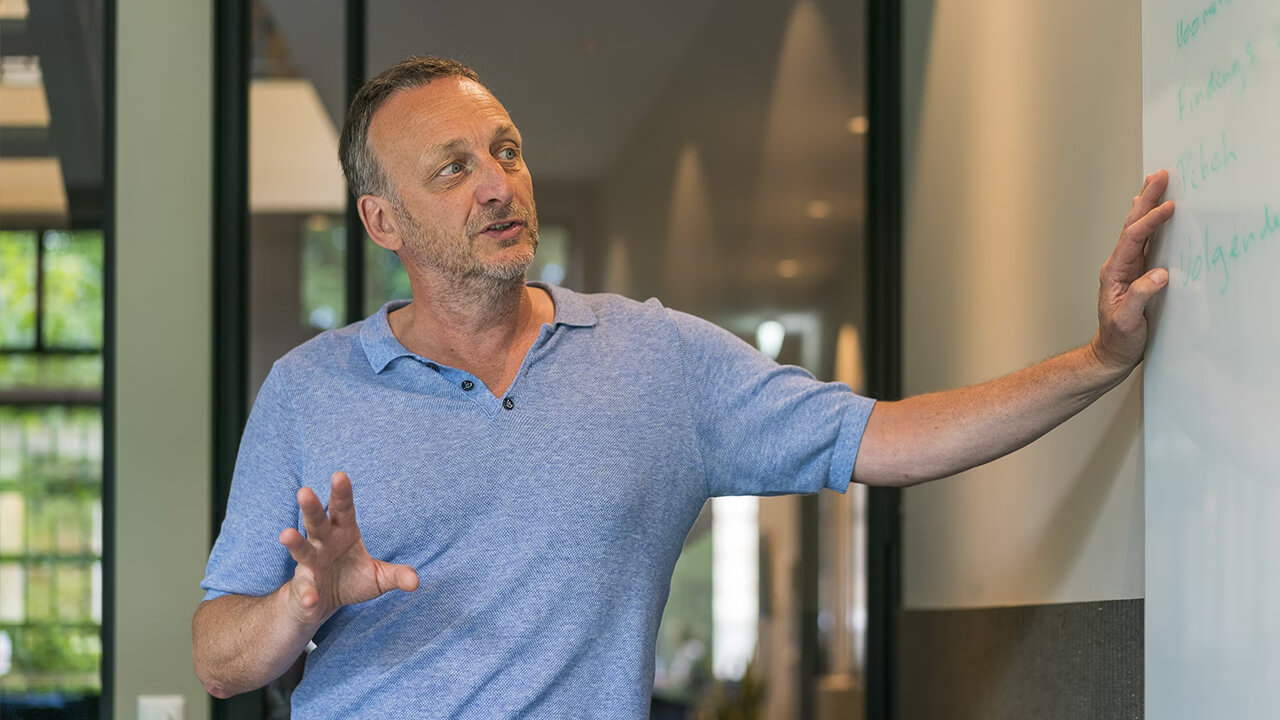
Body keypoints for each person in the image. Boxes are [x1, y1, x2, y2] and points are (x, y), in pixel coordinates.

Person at [191, 56, 1174, 717]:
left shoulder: (655, 359)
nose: (497, 183)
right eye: (452, 169)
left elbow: (893, 439)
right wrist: (301, 605)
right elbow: (217, 658)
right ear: (382, 221)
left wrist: (1096, 359)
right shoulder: (310, 389)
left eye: (506, 150)